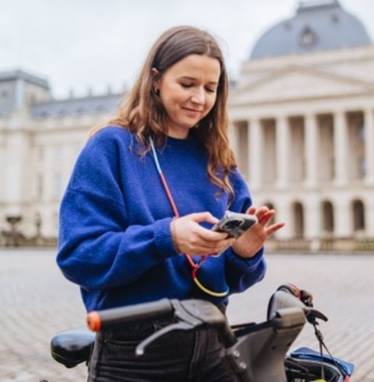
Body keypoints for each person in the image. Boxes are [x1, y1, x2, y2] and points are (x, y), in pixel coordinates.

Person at [57, 25, 285, 382]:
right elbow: (79, 256)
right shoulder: (112, 147)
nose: (200, 98)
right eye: (187, 84)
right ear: (156, 80)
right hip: (134, 351)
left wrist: (244, 251)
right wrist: (167, 238)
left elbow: (234, 280)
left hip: (213, 344)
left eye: (211, 88)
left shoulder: (219, 163)